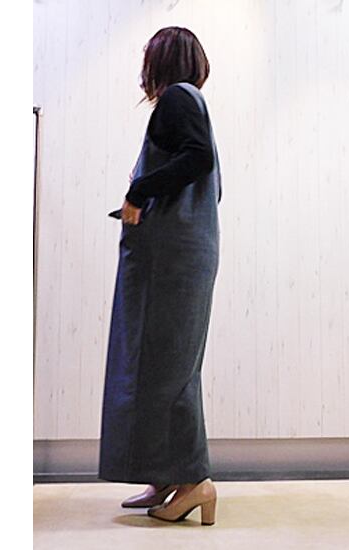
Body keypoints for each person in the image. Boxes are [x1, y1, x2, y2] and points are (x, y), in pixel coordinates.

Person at [97, 26, 222, 527]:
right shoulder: (189, 101)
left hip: (172, 262)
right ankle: (167, 475)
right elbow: (204, 175)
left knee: (168, 369)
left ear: (160, 62)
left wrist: (138, 192)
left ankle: (194, 482)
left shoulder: (177, 100)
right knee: (159, 366)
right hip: (176, 258)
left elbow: (197, 158)